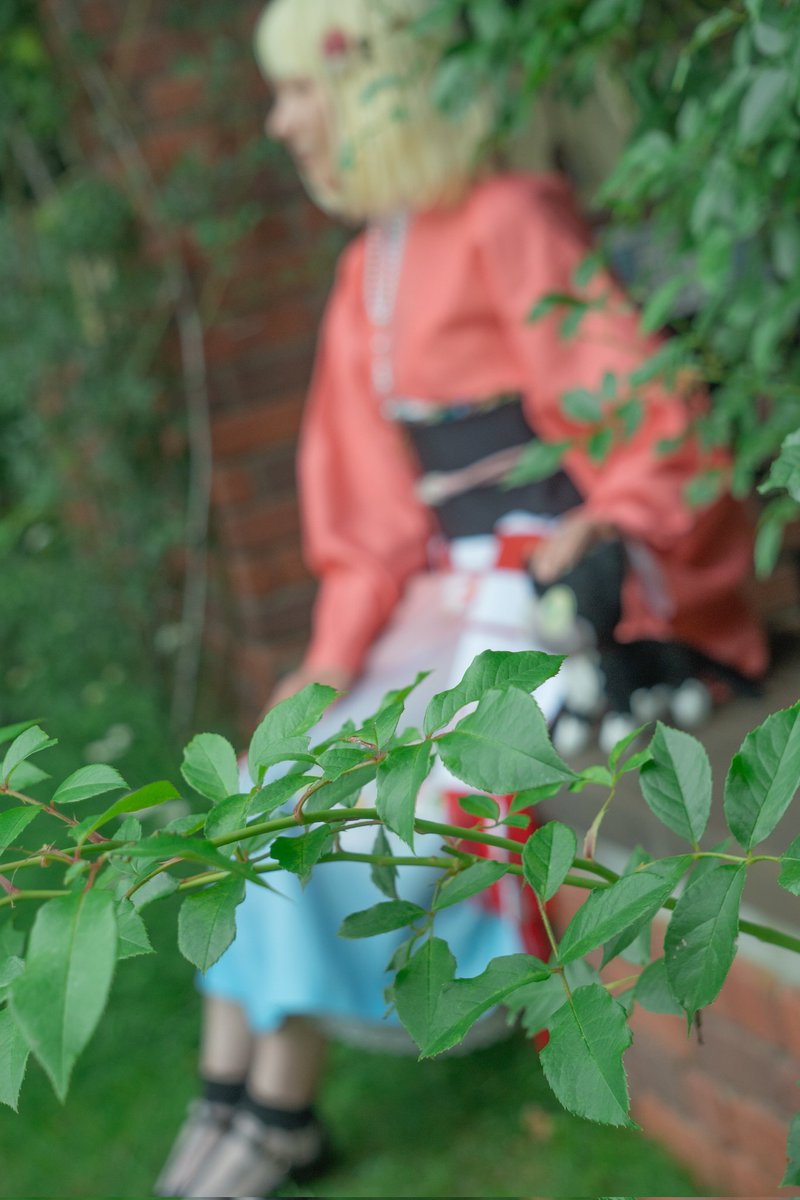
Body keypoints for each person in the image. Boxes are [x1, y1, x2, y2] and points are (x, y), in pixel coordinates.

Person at [155, 1, 767, 1195]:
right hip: (444, 598)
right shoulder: (368, 267)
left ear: (378, 87)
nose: (282, 120)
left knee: (345, 807)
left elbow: (640, 413)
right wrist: (323, 668)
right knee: (266, 787)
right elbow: (371, 527)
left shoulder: (509, 217)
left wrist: (614, 519)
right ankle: (230, 1096)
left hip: (547, 599)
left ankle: (272, 1109)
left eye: (300, 90)